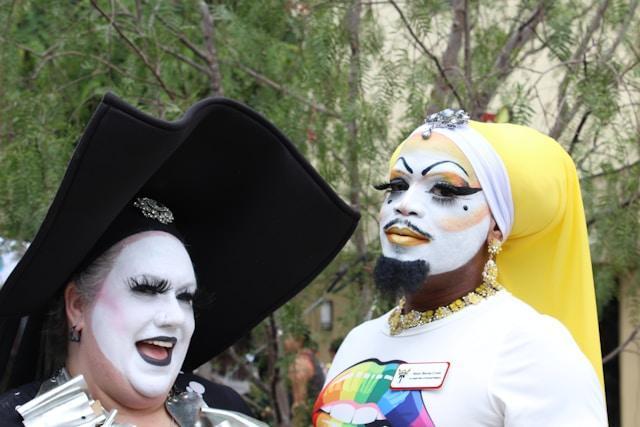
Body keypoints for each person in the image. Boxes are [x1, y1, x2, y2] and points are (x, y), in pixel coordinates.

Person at [0, 93, 359, 426]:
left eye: (186, 297)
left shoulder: (227, 411)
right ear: (77, 305)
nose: (174, 317)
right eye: (146, 289)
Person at [313, 109, 607, 426]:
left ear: (496, 227)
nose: (405, 204)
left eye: (444, 190)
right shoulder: (360, 340)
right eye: (397, 185)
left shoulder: (531, 349)